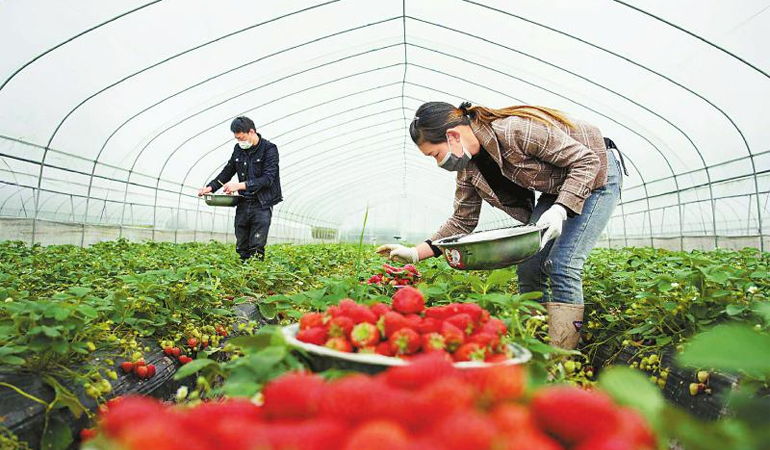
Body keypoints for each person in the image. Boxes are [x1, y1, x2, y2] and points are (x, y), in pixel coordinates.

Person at [377, 102, 625, 349]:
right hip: (557, 185)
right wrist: (415, 253)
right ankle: (534, 345)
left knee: (562, 263)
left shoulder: (514, 130)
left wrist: (561, 208)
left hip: (597, 172)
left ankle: (562, 352)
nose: (439, 163)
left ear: (452, 136)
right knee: (529, 263)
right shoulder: (469, 169)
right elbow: (462, 220)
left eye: (435, 154)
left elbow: (586, 161)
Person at [198, 116, 282, 262]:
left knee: (256, 246)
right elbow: (228, 171)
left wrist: (239, 185)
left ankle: (255, 276)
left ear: (251, 132)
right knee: (241, 244)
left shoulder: (269, 149)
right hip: (244, 202)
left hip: (262, 204)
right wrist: (211, 187)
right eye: (237, 139)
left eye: (242, 138)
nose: (240, 142)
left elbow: (268, 179)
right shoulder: (238, 149)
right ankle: (243, 273)